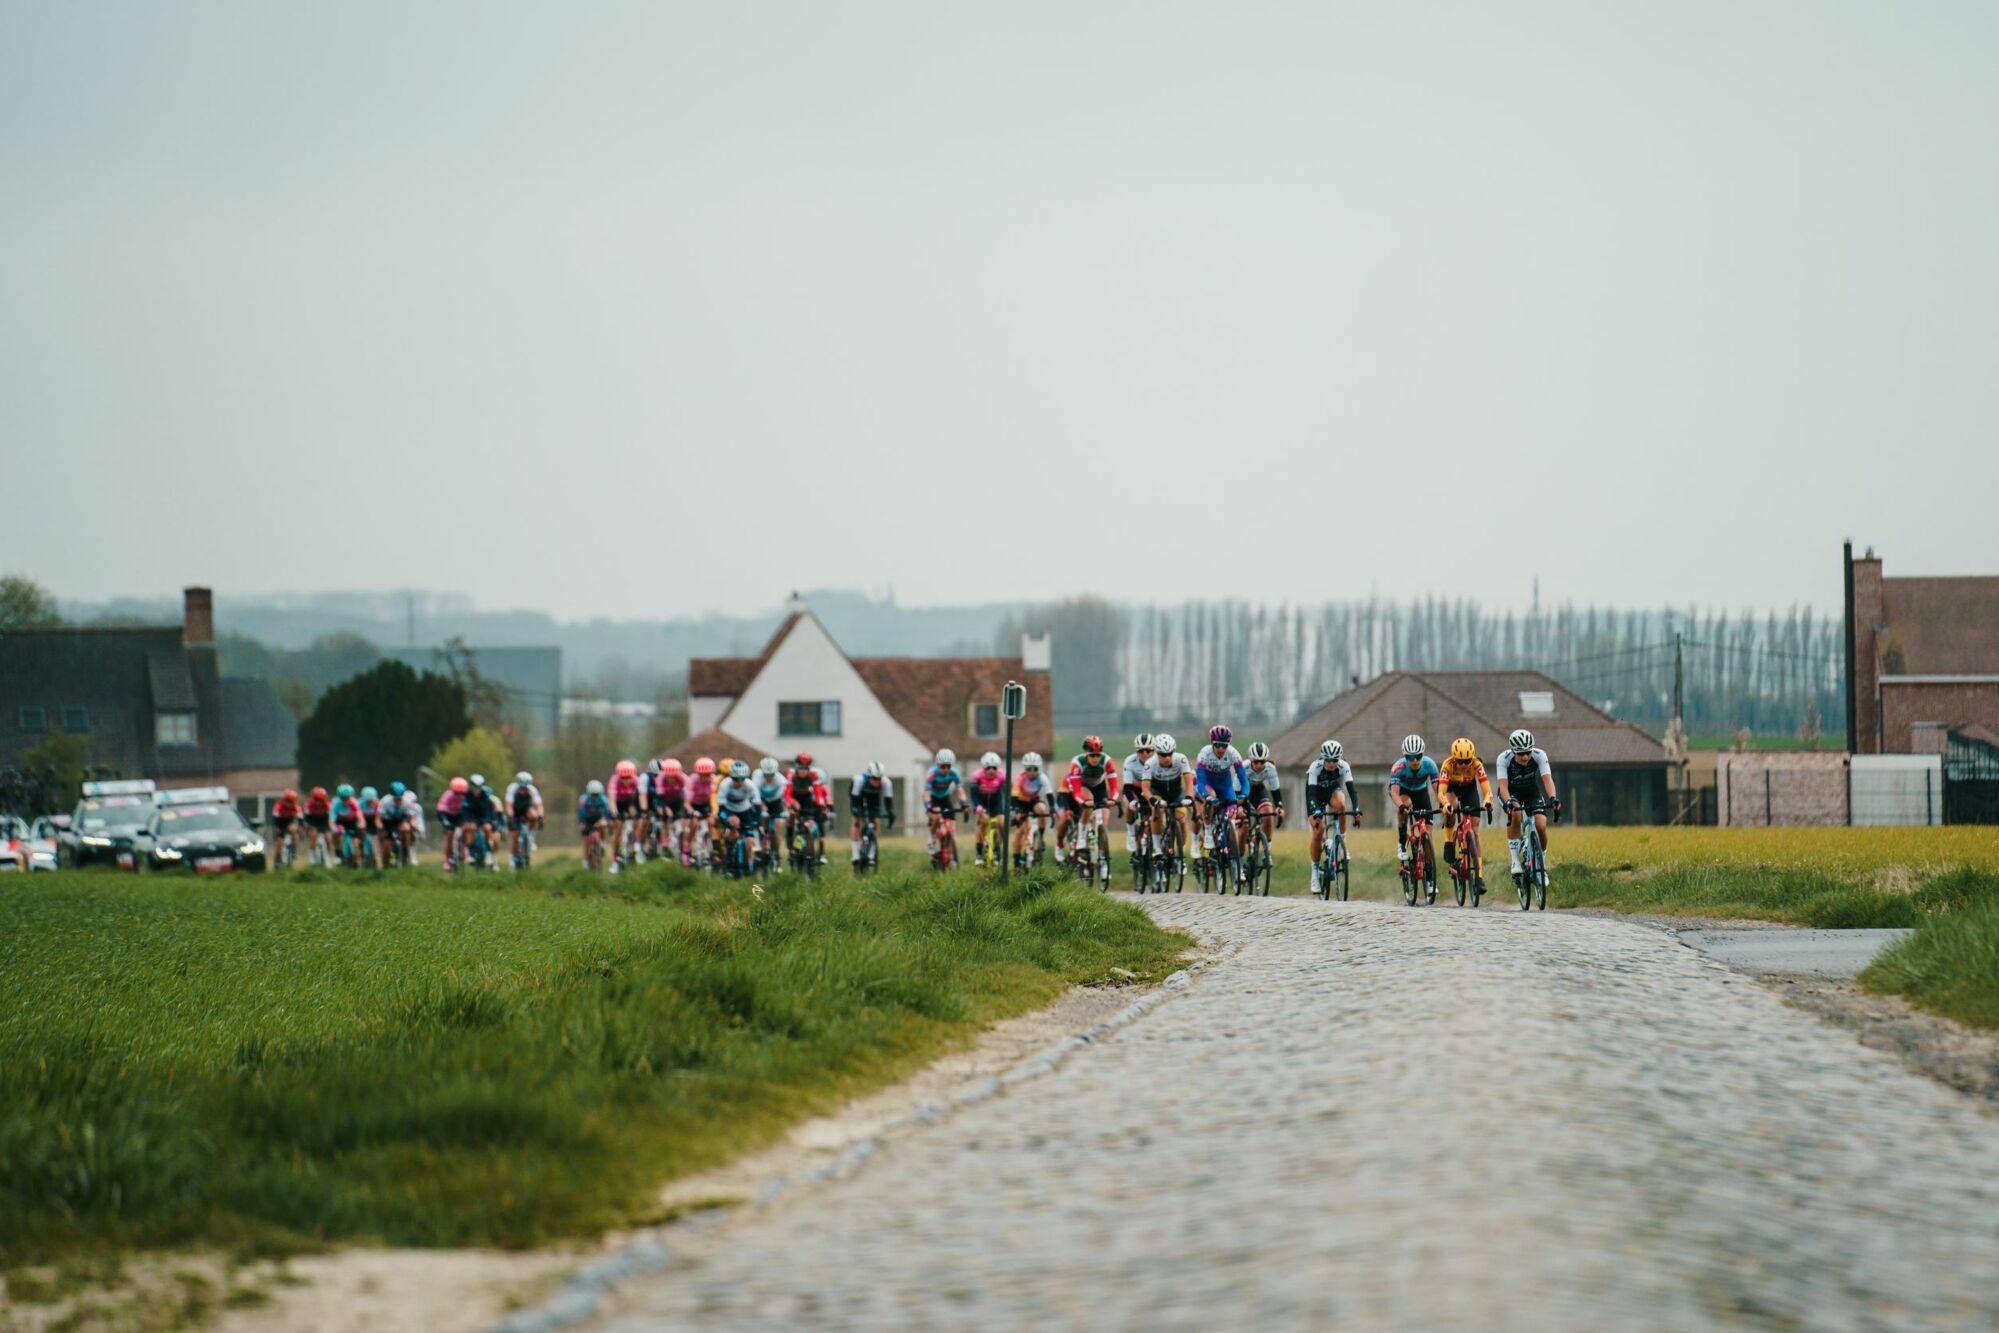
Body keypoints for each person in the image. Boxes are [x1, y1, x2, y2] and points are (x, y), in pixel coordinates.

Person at [1495, 728, 1559, 883]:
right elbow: (1503, 786)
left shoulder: (1539, 755)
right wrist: (1508, 802)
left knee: (1541, 825)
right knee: (1516, 815)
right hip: (1511, 792)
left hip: (1531, 792)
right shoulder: (1503, 759)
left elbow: (1547, 780)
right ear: (1513, 751)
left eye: (1528, 752)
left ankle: (1541, 865)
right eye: (1520, 753)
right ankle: (1515, 860)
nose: (1525, 757)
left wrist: (1553, 798)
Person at [1303, 740, 1359, 896]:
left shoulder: (1344, 767)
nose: (1332, 764)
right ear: (1323, 758)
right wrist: (1316, 810)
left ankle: (1342, 844)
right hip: (1314, 795)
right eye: (1329, 760)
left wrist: (1357, 809)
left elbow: (1352, 791)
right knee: (1318, 831)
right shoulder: (1315, 768)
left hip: (1331, 791)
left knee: (1341, 806)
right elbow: (1312, 795)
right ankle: (1314, 873)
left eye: (1335, 760)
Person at [1056, 736, 1119, 866]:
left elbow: (1114, 787)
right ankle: (1080, 839)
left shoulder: (1107, 761)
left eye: (1097, 755)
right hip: (1078, 786)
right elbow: (1078, 792)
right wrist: (1083, 802)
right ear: (1086, 754)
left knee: (1104, 816)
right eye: (1092, 756)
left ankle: (1100, 853)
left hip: (1098, 787)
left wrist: (1113, 799)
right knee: (1087, 803)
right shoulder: (1077, 762)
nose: (1095, 759)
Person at [1437, 738, 1492, 874]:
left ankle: (1479, 874)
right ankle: (1449, 841)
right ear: (1454, 758)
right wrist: (1445, 804)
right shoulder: (1447, 765)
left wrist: (1487, 801)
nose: (1464, 765)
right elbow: (1441, 793)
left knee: (1475, 828)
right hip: (1451, 788)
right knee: (1453, 806)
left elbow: (1487, 790)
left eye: (1467, 761)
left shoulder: (1477, 764)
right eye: (1460, 761)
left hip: (1469, 789)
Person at [1192, 725, 1247, 860]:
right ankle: (1209, 831)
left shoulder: (1233, 754)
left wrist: (1243, 794)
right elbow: (1200, 781)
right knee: (1212, 799)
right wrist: (1207, 796)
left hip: (1225, 787)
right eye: (1218, 745)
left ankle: (1235, 862)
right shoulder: (1204, 754)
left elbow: (1243, 780)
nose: (1221, 749)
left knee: (1231, 819)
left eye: (1224, 745)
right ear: (1212, 743)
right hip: (1208, 785)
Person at [1388, 735, 1442, 866]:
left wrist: (1442, 803)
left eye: (1418, 756)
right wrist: (1401, 806)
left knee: (1428, 832)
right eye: (1410, 758)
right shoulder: (1398, 767)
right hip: (1403, 791)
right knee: (1406, 804)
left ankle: (1429, 875)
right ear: (1405, 757)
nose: (1415, 761)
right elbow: (1394, 793)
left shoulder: (1430, 765)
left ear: (1422, 754)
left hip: (1421, 792)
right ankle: (1402, 840)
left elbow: (1438, 790)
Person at [1140, 735, 1193, 863]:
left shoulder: (1181, 759)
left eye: (1170, 754)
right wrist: (1153, 800)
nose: (1167, 758)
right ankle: (1157, 847)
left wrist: (1189, 796)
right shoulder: (1149, 764)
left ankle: (1180, 854)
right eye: (1163, 755)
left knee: (1182, 820)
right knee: (1158, 811)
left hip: (1176, 793)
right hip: (1157, 792)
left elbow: (1189, 782)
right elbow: (1145, 789)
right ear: (1157, 754)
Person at [715, 760, 764, 870]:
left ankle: (750, 865)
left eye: (742, 779)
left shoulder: (750, 785)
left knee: (750, 840)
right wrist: (727, 821)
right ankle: (729, 859)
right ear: (731, 777)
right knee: (733, 828)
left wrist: (756, 822)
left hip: (745, 811)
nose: (739, 782)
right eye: (736, 779)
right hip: (729, 810)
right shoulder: (725, 785)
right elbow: (721, 810)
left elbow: (757, 806)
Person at [784, 753, 832, 863]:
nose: (803, 771)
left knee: (810, 821)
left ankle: (810, 848)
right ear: (796, 767)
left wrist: (822, 806)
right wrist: (792, 802)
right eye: (801, 768)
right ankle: (790, 841)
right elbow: (787, 794)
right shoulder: (791, 775)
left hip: (806, 800)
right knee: (792, 816)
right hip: (794, 797)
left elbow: (818, 793)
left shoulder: (813, 775)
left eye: (806, 768)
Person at [1010, 752, 1053, 867]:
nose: (1032, 771)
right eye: (1029, 769)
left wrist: (1053, 808)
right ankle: (1017, 859)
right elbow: (1014, 796)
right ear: (1025, 769)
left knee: (1042, 810)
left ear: (1038, 768)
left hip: (1034, 801)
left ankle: (1041, 836)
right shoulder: (1020, 778)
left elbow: (1049, 794)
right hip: (1021, 803)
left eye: (1035, 768)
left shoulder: (1042, 777)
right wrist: (1014, 811)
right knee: (1019, 833)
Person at [966, 752, 1008, 866]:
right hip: (982, 801)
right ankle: (979, 853)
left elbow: (1006, 793)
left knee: (1001, 821)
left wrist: (1008, 806)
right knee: (983, 822)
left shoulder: (1002, 776)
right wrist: (977, 807)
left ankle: (1002, 849)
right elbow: (973, 796)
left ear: (997, 768)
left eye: (994, 768)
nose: (991, 770)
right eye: (988, 768)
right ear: (984, 768)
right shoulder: (977, 776)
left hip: (996, 800)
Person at [848, 760, 893, 865]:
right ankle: (855, 853)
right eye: (874, 778)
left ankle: (872, 852)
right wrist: (856, 810)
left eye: (879, 778)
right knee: (857, 822)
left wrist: (890, 813)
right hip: (858, 796)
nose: (876, 781)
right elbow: (854, 800)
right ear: (869, 776)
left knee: (875, 821)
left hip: (873, 798)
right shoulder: (859, 780)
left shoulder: (886, 782)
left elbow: (888, 801)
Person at [921, 749, 963, 857]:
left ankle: (951, 850)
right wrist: (928, 806)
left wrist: (964, 802)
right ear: (938, 765)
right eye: (943, 766)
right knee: (937, 813)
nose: (946, 769)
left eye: (948, 766)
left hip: (945, 798)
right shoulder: (932, 773)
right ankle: (931, 838)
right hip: (933, 798)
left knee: (952, 827)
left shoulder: (954, 773)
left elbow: (960, 790)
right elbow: (926, 792)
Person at [1119, 734, 1154, 857]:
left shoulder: (1158, 761)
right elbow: (1127, 787)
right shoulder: (1130, 761)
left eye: (1148, 750)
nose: (1145, 753)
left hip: (1151, 789)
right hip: (1134, 789)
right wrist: (1132, 802)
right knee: (1130, 805)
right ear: (1136, 751)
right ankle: (1131, 832)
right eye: (1141, 750)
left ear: (1154, 750)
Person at [1243, 742, 1282, 848]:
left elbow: (1275, 790)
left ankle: (1267, 848)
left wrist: (1279, 806)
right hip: (1242, 791)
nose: (1259, 765)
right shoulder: (1244, 767)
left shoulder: (1270, 768)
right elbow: (1236, 789)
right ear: (1251, 760)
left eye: (1262, 762)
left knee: (1268, 813)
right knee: (1242, 818)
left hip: (1258, 789)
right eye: (1256, 762)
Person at [505, 770, 543, 866]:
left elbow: (539, 805)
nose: (523, 790)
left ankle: (530, 837)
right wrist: (510, 816)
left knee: (534, 815)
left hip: (526, 810)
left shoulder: (532, 790)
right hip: (515, 811)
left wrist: (541, 816)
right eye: (521, 787)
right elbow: (509, 805)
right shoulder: (512, 788)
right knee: (515, 836)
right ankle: (512, 860)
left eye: (525, 788)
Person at [463, 774, 501, 867]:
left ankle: (488, 853)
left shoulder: (486, 797)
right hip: (471, 817)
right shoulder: (466, 796)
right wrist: (467, 821)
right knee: (470, 828)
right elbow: (464, 810)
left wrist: (490, 821)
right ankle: (470, 853)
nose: (476, 790)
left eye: (478, 787)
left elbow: (490, 811)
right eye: (474, 787)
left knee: (487, 828)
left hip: (484, 817)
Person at [755, 757, 787, 857]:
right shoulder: (757, 777)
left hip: (776, 802)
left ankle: (776, 851)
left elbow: (783, 798)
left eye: (771, 775)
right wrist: (762, 805)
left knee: (778, 825)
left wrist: (785, 809)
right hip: (761, 800)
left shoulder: (781, 780)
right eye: (766, 775)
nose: (768, 777)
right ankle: (760, 841)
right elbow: (755, 795)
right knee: (759, 821)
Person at [577, 779, 612, 869]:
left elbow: (607, 812)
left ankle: (602, 842)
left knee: (603, 825)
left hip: (598, 819)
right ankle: (585, 861)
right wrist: (583, 824)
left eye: (597, 795)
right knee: (586, 841)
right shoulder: (584, 800)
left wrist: (608, 821)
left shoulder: (604, 800)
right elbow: (581, 812)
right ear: (589, 793)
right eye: (593, 795)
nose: (595, 797)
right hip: (586, 820)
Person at [436, 777, 468, 870]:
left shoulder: (467, 796)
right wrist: (445, 820)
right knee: (449, 834)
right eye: (456, 793)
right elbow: (441, 808)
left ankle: (464, 848)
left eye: (461, 793)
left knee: (466, 828)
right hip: (449, 816)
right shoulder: (447, 795)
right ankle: (447, 859)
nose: (459, 795)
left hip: (461, 815)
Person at [331, 783, 365, 862]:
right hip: (340, 823)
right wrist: (334, 828)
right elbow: (332, 820)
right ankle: (338, 853)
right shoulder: (336, 804)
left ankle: (360, 853)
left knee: (357, 842)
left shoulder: (354, 803)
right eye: (343, 798)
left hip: (352, 824)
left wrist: (361, 824)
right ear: (340, 797)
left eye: (347, 798)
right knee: (336, 834)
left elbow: (360, 817)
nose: (346, 800)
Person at [269, 788, 301, 865]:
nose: (289, 804)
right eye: (287, 801)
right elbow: (274, 818)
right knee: (279, 844)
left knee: (294, 830)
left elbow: (300, 817)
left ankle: (293, 850)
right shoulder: (278, 806)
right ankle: (277, 861)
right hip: (279, 824)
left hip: (289, 823)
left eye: (291, 801)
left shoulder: (295, 807)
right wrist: (276, 828)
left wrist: (301, 827)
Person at [302, 786, 333, 863]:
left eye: (321, 800)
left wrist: (331, 826)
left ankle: (326, 856)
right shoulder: (308, 804)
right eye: (317, 800)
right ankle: (312, 855)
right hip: (312, 820)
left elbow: (331, 817)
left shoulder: (328, 804)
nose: (318, 802)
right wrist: (307, 827)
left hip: (323, 821)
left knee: (328, 838)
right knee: (314, 835)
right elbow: (305, 818)